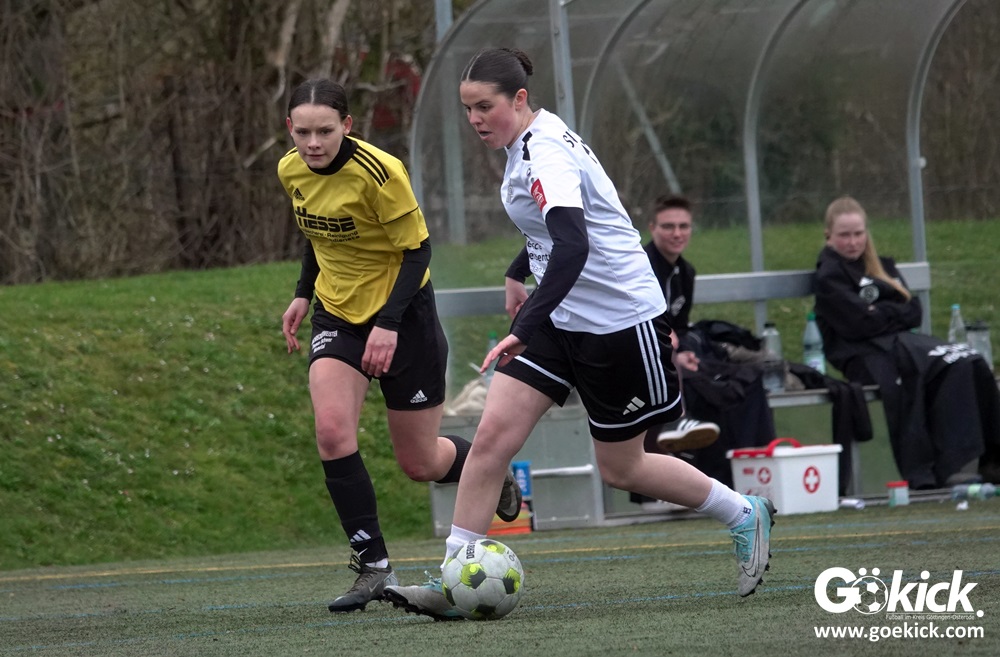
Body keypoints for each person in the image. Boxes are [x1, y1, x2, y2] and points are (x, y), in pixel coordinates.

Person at [382, 48, 775, 620]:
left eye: (485, 106)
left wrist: (526, 323)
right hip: (561, 317)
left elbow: (574, 244)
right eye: (467, 109)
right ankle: (454, 577)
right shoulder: (527, 141)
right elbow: (555, 228)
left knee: (622, 468)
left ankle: (742, 512)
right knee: (490, 439)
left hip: (617, 324)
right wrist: (519, 272)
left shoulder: (545, 151)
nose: (475, 120)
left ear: (519, 98)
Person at [277, 78, 522, 613]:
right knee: (331, 431)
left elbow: (418, 251)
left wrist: (388, 323)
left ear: (347, 126)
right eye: (303, 132)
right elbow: (319, 235)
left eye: (325, 131)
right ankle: (374, 567)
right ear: (289, 128)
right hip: (338, 315)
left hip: (404, 316)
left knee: (420, 462)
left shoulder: (381, 171)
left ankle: (489, 467)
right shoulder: (290, 168)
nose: (313, 143)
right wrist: (301, 294)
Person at [814, 196, 1000, 489]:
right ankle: (941, 468)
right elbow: (858, 323)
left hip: (901, 343)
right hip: (864, 354)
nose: (853, 242)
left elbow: (914, 311)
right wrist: (889, 312)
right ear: (829, 236)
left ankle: (990, 461)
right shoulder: (829, 276)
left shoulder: (881, 266)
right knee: (919, 374)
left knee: (967, 360)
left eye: (858, 233)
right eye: (844, 235)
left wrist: (878, 312)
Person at [641, 195, 777, 485]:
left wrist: (684, 351)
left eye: (683, 226)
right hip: (640, 358)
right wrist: (669, 344)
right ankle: (678, 435)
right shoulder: (638, 267)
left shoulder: (686, 272)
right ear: (652, 228)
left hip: (672, 358)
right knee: (701, 386)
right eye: (668, 226)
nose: (677, 233)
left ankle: (752, 474)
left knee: (745, 380)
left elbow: (680, 327)